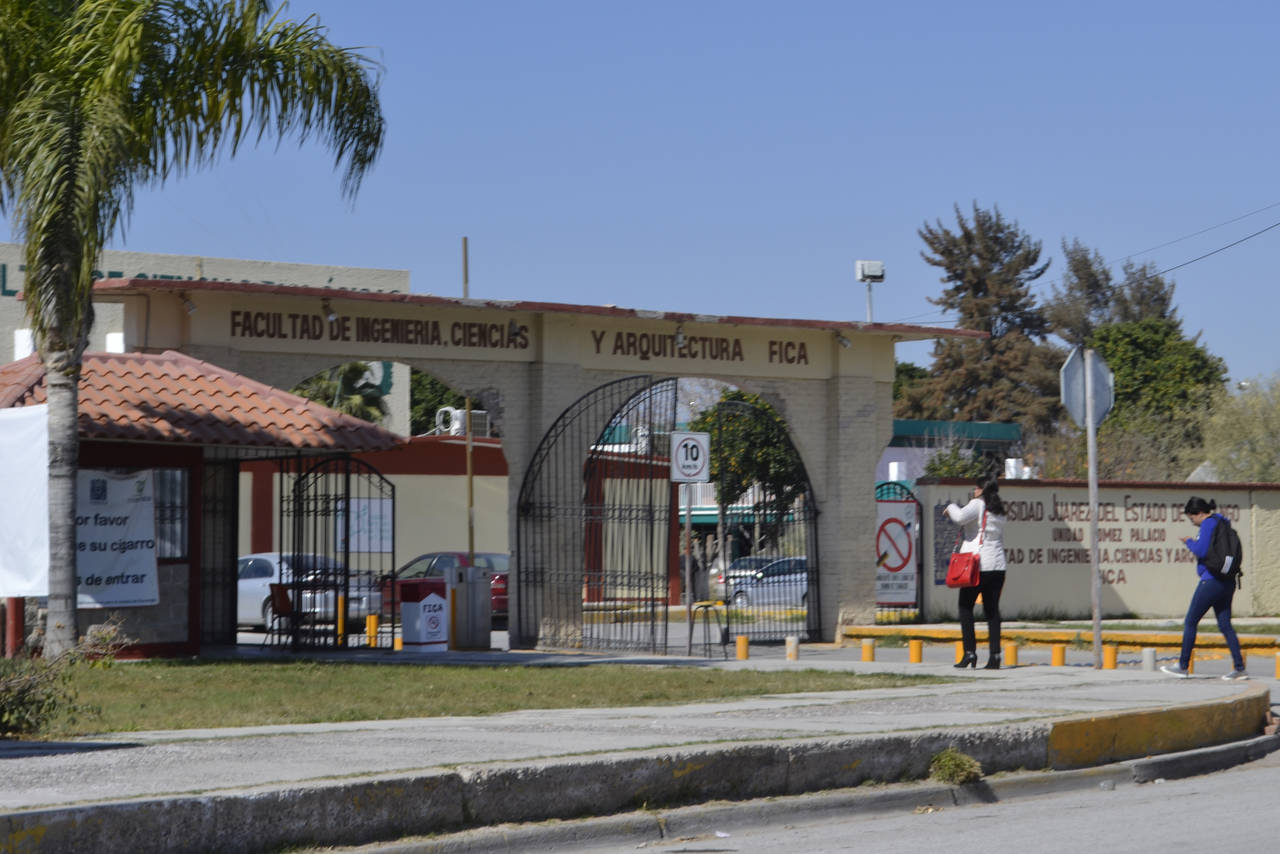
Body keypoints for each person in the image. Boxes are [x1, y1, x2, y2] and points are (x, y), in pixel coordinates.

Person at [1161, 497, 1248, 680]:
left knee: (1191, 621)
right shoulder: (1223, 523)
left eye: (1192, 519)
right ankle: (1239, 668)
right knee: (1225, 625)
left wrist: (1188, 542)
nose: (1193, 522)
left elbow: (1201, 550)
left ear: (1199, 513)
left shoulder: (1208, 524)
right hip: (1228, 581)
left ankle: (1183, 666)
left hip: (1211, 581)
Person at [945, 477, 1008, 670]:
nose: (973, 491)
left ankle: (970, 653)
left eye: (975, 488)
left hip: (978, 566)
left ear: (981, 490)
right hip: (998, 566)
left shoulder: (978, 504)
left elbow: (960, 517)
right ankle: (995, 656)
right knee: (992, 611)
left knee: (965, 607)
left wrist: (950, 507)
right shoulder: (999, 510)